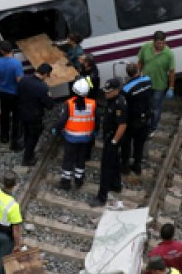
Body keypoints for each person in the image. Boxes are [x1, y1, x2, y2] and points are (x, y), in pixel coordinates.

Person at [54, 78, 97, 190]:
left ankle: (66, 181)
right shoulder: (93, 104)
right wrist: (94, 133)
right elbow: (97, 121)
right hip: (86, 138)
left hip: (71, 138)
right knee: (81, 158)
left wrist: (56, 129)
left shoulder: (69, 104)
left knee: (68, 158)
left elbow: (62, 120)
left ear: (74, 91)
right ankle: (78, 179)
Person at [89, 79, 126, 207]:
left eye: (109, 92)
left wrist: (114, 141)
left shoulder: (119, 104)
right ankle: (116, 184)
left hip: (113, 138)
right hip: (109, 136)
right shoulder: (112, 100)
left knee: (106, 167)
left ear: (116, 91)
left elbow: (122, 124)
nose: (106, 94)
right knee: (114, 161)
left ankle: (101, 196)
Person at [137, 31, 175, 134]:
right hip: (145, 84)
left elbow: (171, 72)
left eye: (163, 43)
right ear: (154, 42)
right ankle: (145, 125)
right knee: (145, 106)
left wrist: (171, 87)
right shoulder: (145, 47)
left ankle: (153, 128)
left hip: (159, 86)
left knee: (156, 109)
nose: (161, 45)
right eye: (159, 43)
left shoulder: (169, 54)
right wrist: (137, 75)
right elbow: (140, 62)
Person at [17, 63, 55, 166]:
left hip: (22, 112)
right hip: (34, 116)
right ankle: (27, 158)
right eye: (48, 75)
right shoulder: (42, 87)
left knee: (26, 133)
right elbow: (50, 105)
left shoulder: (23, 80)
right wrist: (50, 97)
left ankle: (27, 149)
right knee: (33, 137)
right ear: (45, 74)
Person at [120, 63, 154, 175]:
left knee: (126, 143)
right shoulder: (148, 80)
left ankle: (125, 167)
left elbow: (124, 106)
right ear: (138, 71)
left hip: (132, 120)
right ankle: (137, 166)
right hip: (146, 117)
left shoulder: (126, 89)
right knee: (139, 144)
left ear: (128, 74)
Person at [0, 41, 24, 151]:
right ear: (11, 50)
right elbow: (19, 80)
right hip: (15, 93)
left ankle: (4, 137)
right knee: (16, 117)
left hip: (3, 92)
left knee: (5, 115)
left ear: (1, 51)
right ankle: (15, 139)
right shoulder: (16, 63)